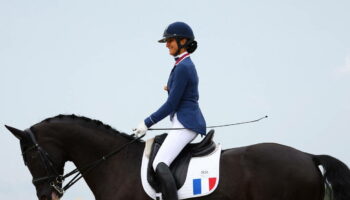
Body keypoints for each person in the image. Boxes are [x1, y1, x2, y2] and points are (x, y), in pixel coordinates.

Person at [134, 21, 206, 200]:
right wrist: (171, 88)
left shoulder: (183, 67)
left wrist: (147, 122)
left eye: (170, 40)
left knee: (159, 162)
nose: (166, 44)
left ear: (182, 41)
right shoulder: (181, 64)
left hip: (186, 122)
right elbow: (186, 92)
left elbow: (172, 105)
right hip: (182, 120)